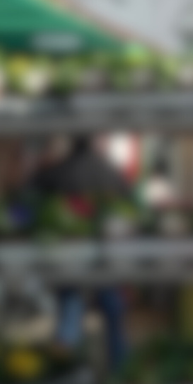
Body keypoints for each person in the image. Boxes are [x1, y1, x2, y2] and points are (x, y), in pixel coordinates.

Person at [28, 134, 130, 371]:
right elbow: (127, 205)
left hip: (68, 253)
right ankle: (120, 369)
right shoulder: (109, 171)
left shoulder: (58, 171)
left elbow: (33, 191)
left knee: (70, 311)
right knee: (112, 311)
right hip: (106, 255)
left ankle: (65, 370)